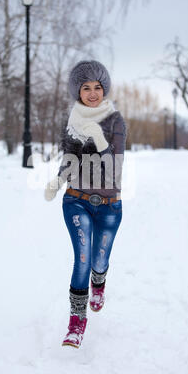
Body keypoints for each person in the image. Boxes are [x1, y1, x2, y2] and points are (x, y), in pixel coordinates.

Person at [44, 60, 127, 349]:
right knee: (82, 258)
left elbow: (114, 166)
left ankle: (99, 282)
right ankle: (76, 323)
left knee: (98, 261)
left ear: (105, 89)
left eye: (98, 87)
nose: (92, 93)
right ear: (77, 91)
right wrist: (57, 181)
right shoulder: (73, 121)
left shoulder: (116, 121)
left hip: (108, 205)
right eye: (86, 87)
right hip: (76, 200)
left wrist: (97, 135)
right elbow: (70, 158)